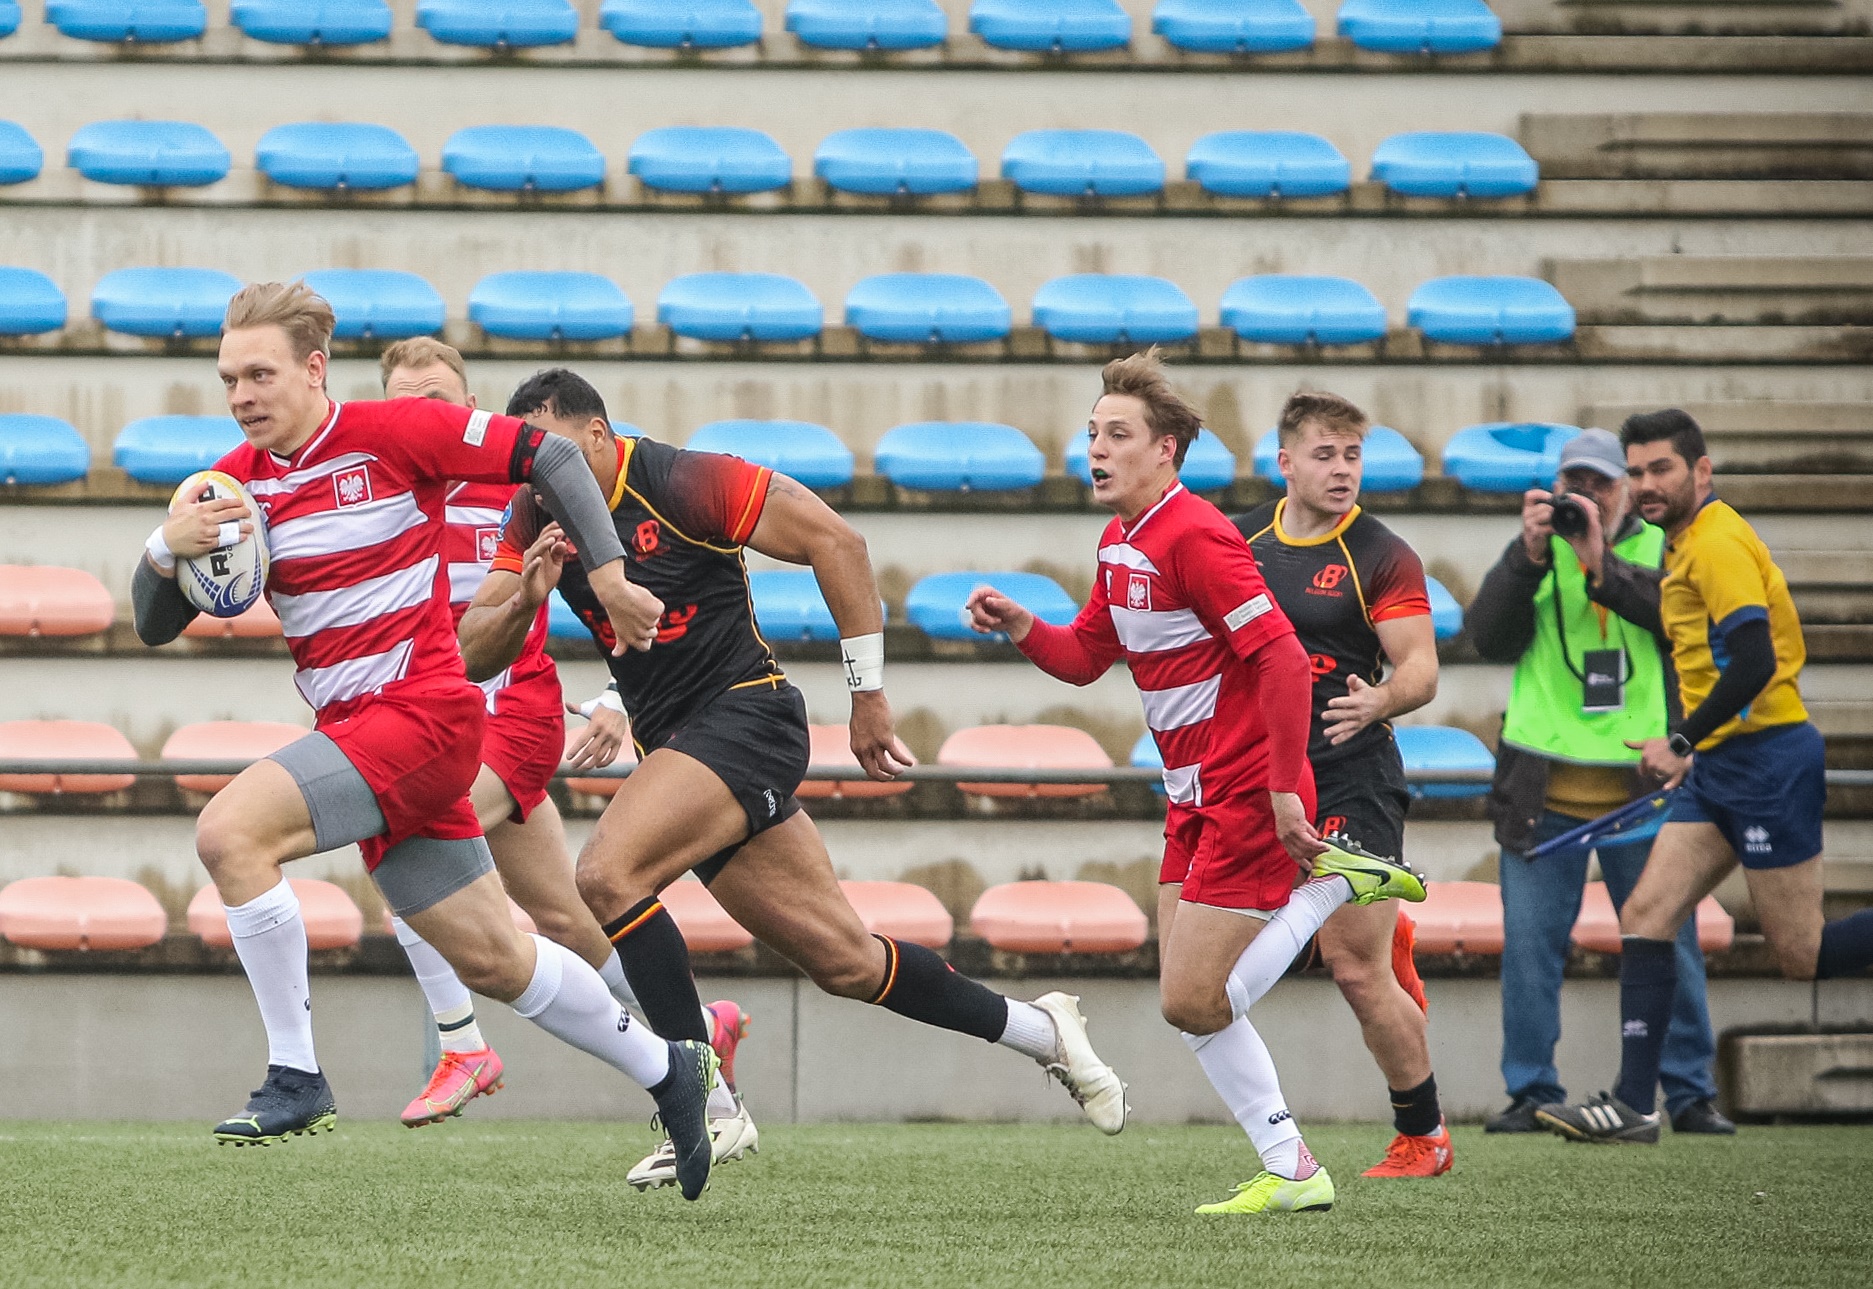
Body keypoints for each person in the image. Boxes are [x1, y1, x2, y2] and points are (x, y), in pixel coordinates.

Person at [460, 368, 1129, 1182]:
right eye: (533, 464)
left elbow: (835, 542)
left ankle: (700, 1097)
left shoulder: (684, 478)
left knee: (605, 874)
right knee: (844, 960)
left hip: (747, 715)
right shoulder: (534, 513)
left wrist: (869, 695)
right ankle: (1043, 1031)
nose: (545, 478)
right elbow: (472, 648)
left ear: (598, 436)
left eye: (555, 456)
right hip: (679, 749)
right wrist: (527, 598)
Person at [130, 284, 717, 1200]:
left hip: (426, 716)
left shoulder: (397, 431)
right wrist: (166, 549)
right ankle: (672, 1070)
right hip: (364, 734)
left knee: (230, 833)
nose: (242, 393)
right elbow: (154, 623)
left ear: (314, 369)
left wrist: (605, 574)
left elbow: (553, 454)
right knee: (496, 957)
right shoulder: (234, 482)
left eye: (260, 373)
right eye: (228, 377)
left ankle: (297, 1074)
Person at [965, 350, 1426, 1216]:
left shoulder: (1199, 535)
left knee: (1190, 996)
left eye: (1117, 435)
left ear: (1167, 449)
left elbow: (1284, 660)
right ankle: (1290, 1166)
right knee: (1195, 1001)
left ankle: (1329, 890)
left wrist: (1286, 789)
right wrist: (1025, 624)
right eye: (1090, 433)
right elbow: (1084, 657)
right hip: (1189, 790)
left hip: (1244, 786)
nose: (1094, 449)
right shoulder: (1119, 540)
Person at [375, 338, 756, 1159]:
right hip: (427, 718)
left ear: (471, 404)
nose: (427, 416)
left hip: (509, 712)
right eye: (407, 402)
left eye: (442, 398)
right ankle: (702, 1045)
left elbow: (624, 575)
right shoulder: (378, 491)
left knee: (401, 836)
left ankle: (462, 1045)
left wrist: (618, 696)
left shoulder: (523, 474)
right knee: (567, 920)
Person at [1537, 410, 1873, 1143]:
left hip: (1765, 761)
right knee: (1647, 914)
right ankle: (1633, 1103)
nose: (1646, 484)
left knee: (1801, 955)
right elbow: (1675, 617)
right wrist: (1596, 566)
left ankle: (1638, 1099)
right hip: (1722, 762)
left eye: (1660, 468)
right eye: (1636, 470)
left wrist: (1681, 737)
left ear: (1701, 470)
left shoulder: (1716, 543)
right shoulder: (1683, 543)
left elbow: (1752, 662)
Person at [1465, 426, 1729, 1138]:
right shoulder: (1534, 550)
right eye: (1574, 485)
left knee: (1666, 938)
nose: (1586, 498)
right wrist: (1526, 556)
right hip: (1541, 790)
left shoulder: (1660, 548)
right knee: (1528, 947)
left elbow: (1676, 623)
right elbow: (1484, 635)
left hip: (1641, 789)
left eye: (1600, 485)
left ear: (1625, 492)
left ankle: (1687, 1090)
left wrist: (1595, 559)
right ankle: (1529, 1090)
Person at [1232, 391, 1452, 1177]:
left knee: (1354, 968)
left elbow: (1420, 666)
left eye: (1352, 455)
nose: (1341, 470)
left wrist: (1380, 698)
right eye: (1324, 454)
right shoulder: (1240, 538)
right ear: (1284, 460)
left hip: (1349, 773)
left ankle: (1421, 1134)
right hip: (1258, 773)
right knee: (1214, 961)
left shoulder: (1381, 553)